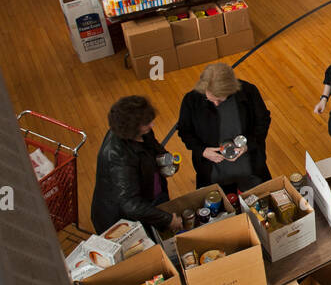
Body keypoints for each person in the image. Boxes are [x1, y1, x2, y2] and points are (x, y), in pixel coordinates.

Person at [90, 96, 181, 236]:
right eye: (147, 123)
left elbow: (154, 147)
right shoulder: (118, 155)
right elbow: (130, 204)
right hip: (125, 218)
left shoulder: (141, 131)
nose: (152, 125)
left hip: (150, 195)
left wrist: (167, 161)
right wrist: (167, 220)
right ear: (131, 127)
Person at [177, 62, 272, 195]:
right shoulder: (191, 100)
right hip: (212, 174)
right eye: (210, 99)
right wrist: (202, 151)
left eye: (220, 101)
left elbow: (262, 122)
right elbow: (184, 130)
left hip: (250, 169)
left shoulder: (249, 92)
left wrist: (247, 146)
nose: (216, 104)